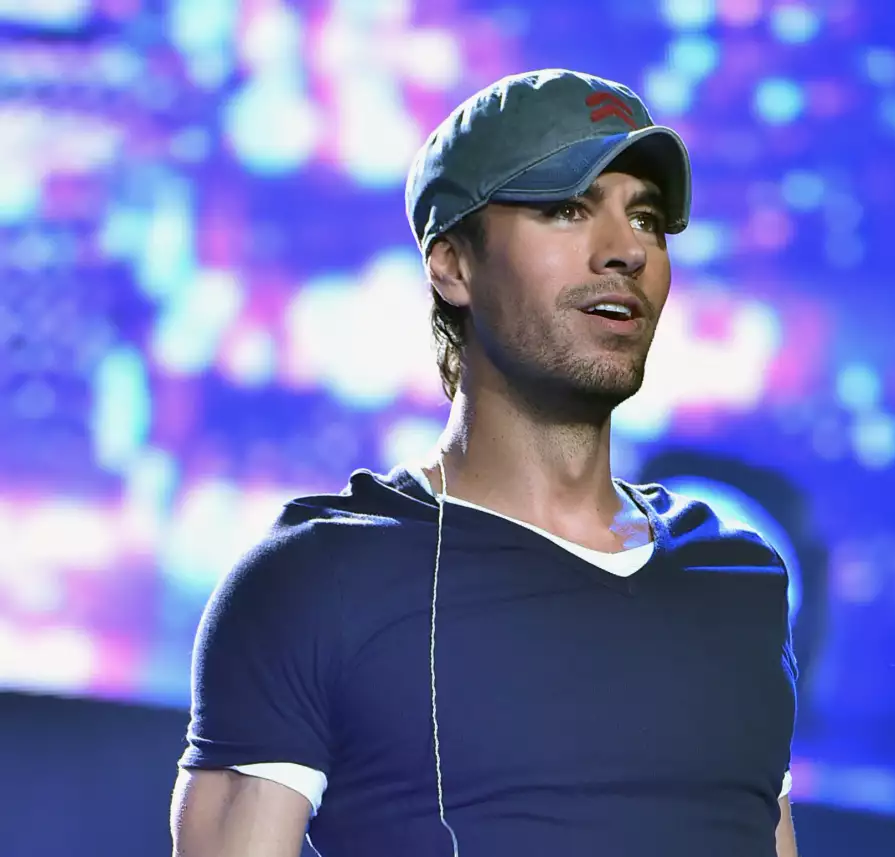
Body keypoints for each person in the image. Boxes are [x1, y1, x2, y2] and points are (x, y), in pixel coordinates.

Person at [170, 68, 800, 857]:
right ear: (453, 266)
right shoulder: (321, 582)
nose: (626, 251)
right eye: (567, 209)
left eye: (645, 217)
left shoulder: (737, 578)